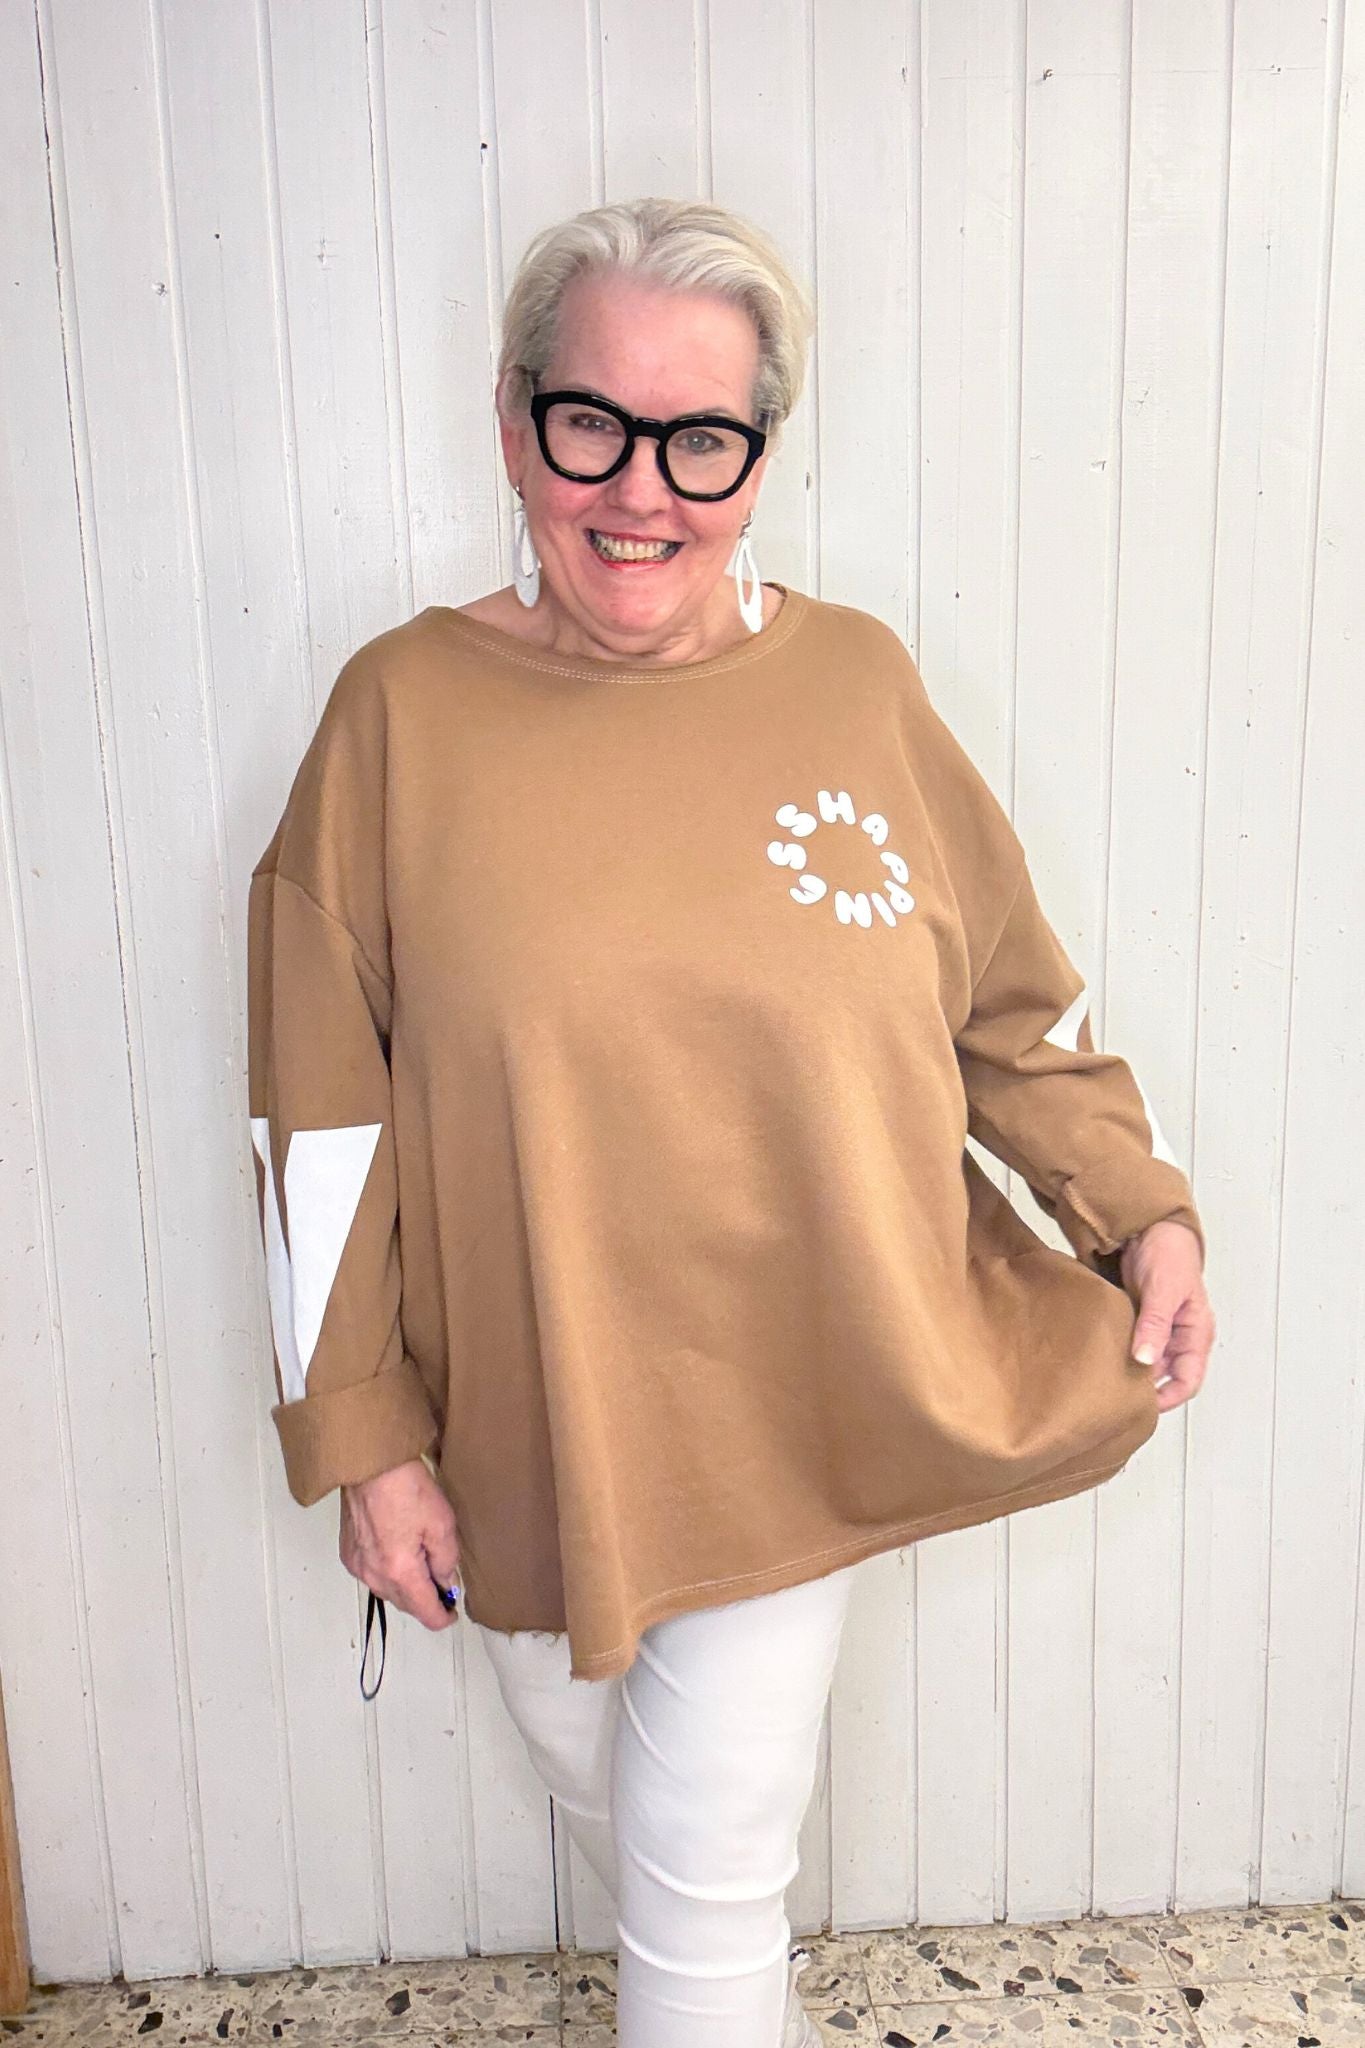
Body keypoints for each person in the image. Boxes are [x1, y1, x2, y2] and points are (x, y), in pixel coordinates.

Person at [246, 196, 1216, 2048]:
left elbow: (1007, 1003)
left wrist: (1136, 1207)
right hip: (527, 1405)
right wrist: (364, 1438)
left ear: (759, 454)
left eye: (701, 437)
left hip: (800, 1385)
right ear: (513, 421)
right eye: (590, 424)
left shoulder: (855, 687)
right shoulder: (397, 718)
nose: (641, 491)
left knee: (702, 1869)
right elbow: (317, 1127)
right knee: (625, 1804)